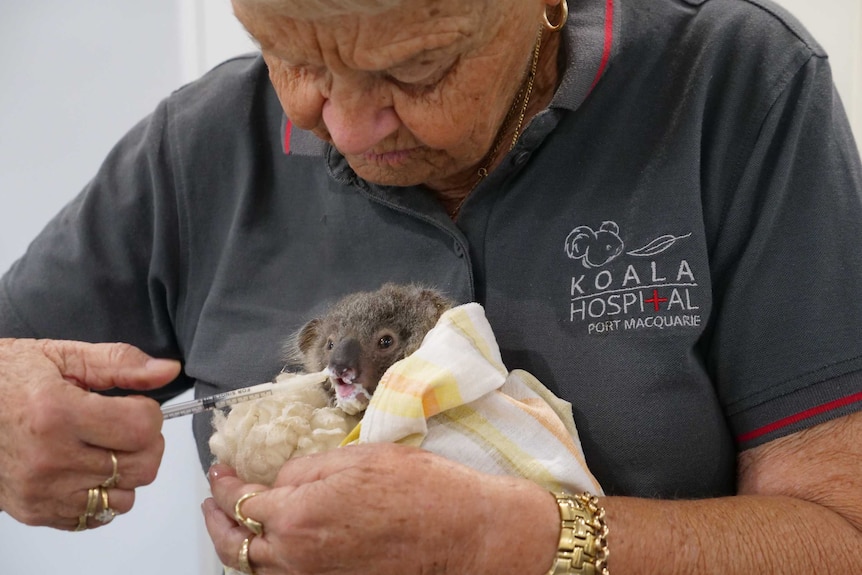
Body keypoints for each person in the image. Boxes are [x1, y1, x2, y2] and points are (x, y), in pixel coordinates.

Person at [1, 0, 861, 572]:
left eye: (415, 73)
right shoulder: (200, 150)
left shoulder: (735, 89)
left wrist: (510, 541)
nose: (338, 122)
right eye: (288, 56)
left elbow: (840, 535)